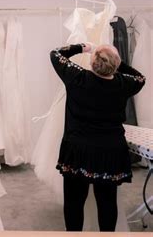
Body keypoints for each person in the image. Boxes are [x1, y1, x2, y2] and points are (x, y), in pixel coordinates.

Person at [50, 43, 146, 232]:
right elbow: (140, 78)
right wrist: (117, 62)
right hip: (110, 152)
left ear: (93, 62)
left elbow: (55, 54)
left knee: (74, 202)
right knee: (107, 202)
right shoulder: (123, 83)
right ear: (115, 65)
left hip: (78, 150)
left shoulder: (77, 77)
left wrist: (82, 47)